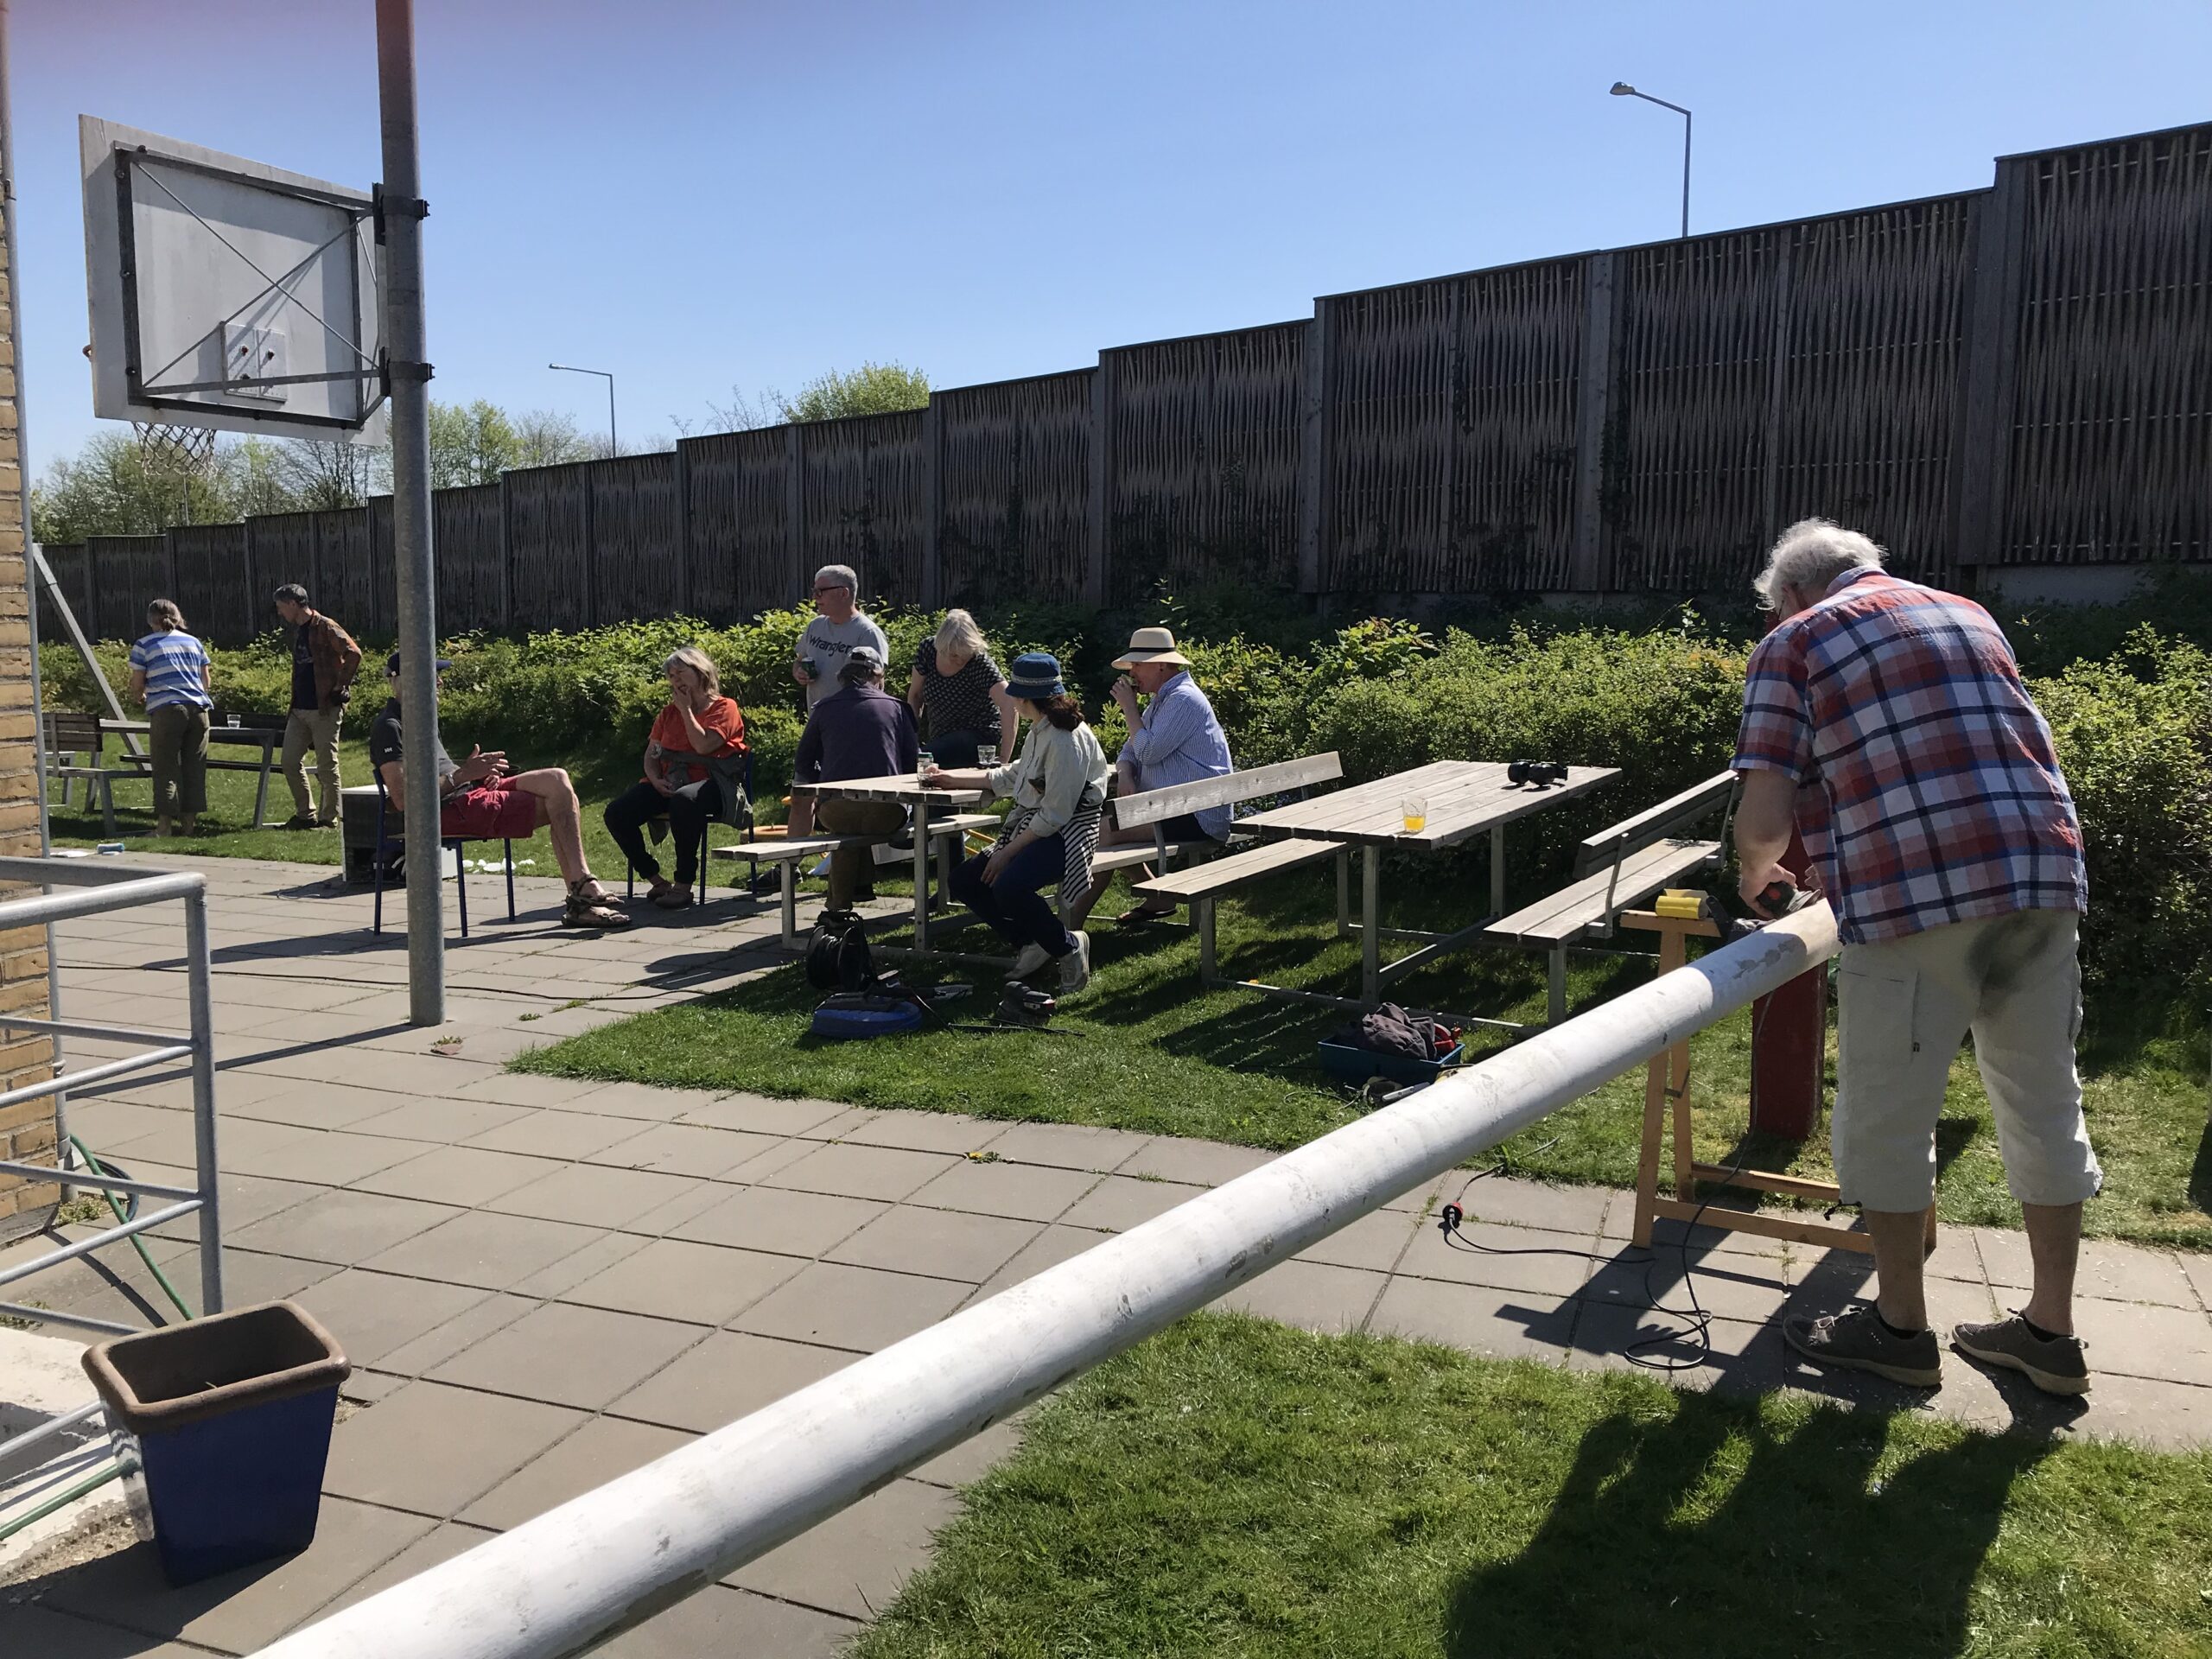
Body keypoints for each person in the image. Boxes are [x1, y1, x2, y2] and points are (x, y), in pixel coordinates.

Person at [1732, 518, 2098, 1396]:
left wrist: (1754, 875)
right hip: (2043, 872)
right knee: (2045, 1101)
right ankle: (2050, 1333)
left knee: (1888, 1116)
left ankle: (1898, 1330)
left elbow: (1765, 815)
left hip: (1916, 894)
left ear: (1791, 593)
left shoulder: (1794, 640)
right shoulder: (1967, 612)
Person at [369, 652, 628, 929]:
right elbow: (404, 800)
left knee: (557, 779)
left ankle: (582, 888)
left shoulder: (421, 718)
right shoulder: (390, 726)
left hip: (468, 793)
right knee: (561, 803)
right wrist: (464, 775)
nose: (440, 683)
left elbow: (441, 774)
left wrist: (479, 775)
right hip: (450, 810)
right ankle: (582, 895)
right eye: (434, 677)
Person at [927, 652, 1109, 995]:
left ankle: (1069, 947)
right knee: (964, 880)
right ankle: (1032, 941)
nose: (1011, 700)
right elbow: (1014, 775)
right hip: (1039, 827)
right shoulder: (1041, 729)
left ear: (1026, 698)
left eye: (1015, 694)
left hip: (1068, 835)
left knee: (1008, 884)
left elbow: (1055, 815)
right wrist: (952, 778)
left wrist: (1006, 853)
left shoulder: (1065, 740)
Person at [1069, 626, 1235, 928]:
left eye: (1137, 664)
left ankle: (1068, 927)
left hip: (1199, 813)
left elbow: (1147, 751)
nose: (1132, 673)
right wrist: (1126, 774)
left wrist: (1129, 709)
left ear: (1160, 665)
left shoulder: (1183, 700)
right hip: (1171, 807)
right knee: (1102, 829)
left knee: (1101, 834)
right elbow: (1129, 751)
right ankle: (1158, 897)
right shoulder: (1164, 699)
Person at [601, 646, 748, 910]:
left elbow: (703, 746)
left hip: (714, 784)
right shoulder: (668, 713)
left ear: (700, 671)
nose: (675, 679)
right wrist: (655, 780)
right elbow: (651, 754)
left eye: (681, 672)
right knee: (617, 813)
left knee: (684, 801)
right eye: (671, 676)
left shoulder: (725, 707)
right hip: (671, 782)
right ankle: (656, 880)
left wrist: (687, 711)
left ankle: (683, 884)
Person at [790, 645, 918, 912]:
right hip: (887, 812)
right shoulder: (897, 708)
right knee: (860, 821)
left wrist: (823, 783)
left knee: (848, 828)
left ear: (843, 676)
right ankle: (851, 896)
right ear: (877, 675)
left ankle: (838, 907)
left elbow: (803, 763)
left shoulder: (824, 708)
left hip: (836, 812)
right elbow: (914, 765)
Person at [272, 583, 363, 830]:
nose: (280, 612)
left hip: (324, 708)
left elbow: (353, 653)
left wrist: (340, 685)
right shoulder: (299, 630)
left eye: (281, 607)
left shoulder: (326, 626)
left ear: (293, 604)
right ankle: (305, 815)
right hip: (299, 709)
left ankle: (328, 818)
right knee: (289, 762)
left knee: (326, 766)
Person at [125, 599, 213, 838]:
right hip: (199, 710)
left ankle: (164, 827)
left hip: (167, 709)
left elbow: (138, 683)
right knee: (194, 767)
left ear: (150, 620)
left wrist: (139, 696)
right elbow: (206, 681)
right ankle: (189, 826)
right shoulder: (193, 642)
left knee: (166, 767)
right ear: (178, 617)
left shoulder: (144, 645)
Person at [906, 608, 1018, 771]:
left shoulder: (979, 662)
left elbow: (1009, 702)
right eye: (954, 655)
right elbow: (915, 696)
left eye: (965, 655)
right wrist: (911, 738)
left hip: (976, 735)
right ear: (942, 647)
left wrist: (1003, 759)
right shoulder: (928, 650)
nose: (959, 660)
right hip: (940, 736)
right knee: (913, 758)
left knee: (918, 761)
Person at [791, 563, 888, 713]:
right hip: (817, 719)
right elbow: (799, 661)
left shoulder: (868, 632)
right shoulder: (815, 625)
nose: (815, 597)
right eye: (814, 591)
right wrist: (799, 673)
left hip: (851, 721)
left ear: (843, 593)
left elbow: (877, 684)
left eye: (820, 592)